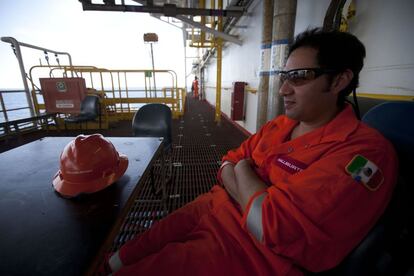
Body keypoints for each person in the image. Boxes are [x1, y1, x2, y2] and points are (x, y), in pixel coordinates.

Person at [99, 28, 398, 275]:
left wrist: (242, 169)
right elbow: (224, 163)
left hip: (249, 255)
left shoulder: (362, 152)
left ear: (340, 80)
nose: (283, 90)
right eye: (285, 76)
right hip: (211, 208)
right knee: (128, 252)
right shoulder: (280, 125)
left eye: (300, 76)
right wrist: (252, 189)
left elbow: (269, 226)